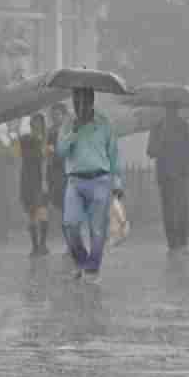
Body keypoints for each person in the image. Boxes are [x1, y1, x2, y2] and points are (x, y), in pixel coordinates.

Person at [56, 88, 123, 284]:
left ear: (91, 101)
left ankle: (92, 270)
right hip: (75, 181)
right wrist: (74, 131)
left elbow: (113, 155)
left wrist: (117, 182)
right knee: (70, 225)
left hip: (100, 180)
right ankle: (82, 261)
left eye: (84, 102)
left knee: (97, 230)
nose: (80, 106)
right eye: (77, 102)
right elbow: (60, 152)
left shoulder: (104, 123)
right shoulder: (68, 123)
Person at [147, 105, 189, 254]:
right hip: (168, 175)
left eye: (172, 110)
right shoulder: (159, 128)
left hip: (179, 174)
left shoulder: (183, 127)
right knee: (171, 209)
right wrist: (159, 145)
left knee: (179, 208)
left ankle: (180, 242)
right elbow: (150, 151)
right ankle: (174, 243)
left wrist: (186, 163)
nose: (171, 113)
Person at [19, 113, 49, 257]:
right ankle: (35, 246)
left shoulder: (46, 140)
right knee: (31, 213)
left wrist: (44, 181)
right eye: (34, 123)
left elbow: (45, 161)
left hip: (40, 179)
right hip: (28, 179)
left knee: (42, 212)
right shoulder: (26, 139)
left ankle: (42, 245)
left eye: (39, 123)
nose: (36, 126)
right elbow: (24, 154)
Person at [46, 103, 71, 254]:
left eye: (58, 114)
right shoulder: (50, 132)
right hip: (55, 174)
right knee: (62, 210)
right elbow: (48, 152)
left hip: (68, 174)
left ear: (63, 115)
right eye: (53, 115)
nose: (55, 117)